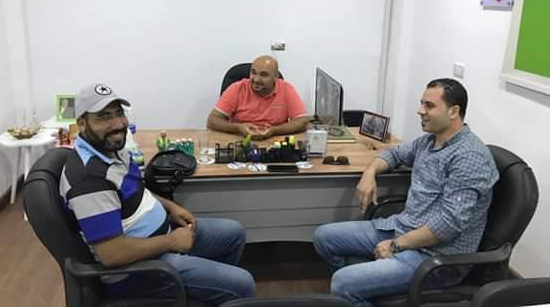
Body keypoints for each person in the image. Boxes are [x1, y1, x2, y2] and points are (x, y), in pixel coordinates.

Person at [60, 83, 254, 305]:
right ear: (82, 123)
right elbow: (112, 254)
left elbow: (138, 191)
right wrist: (171, 242)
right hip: (138, 271)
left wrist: (170, 207)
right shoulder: (89, 180)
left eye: (119, 113)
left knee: (233, 233)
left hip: (161, 241)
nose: (118, 124)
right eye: (104, 117)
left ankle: (210, 294)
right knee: (243, 283)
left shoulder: (112, 150)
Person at [313, 78, 499, 307]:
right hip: (402, 229)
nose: (420, 111)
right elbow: (393, 154)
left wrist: (396, 245)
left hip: (435, 257)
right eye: (421, 103)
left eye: (429, 106)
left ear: (453, 111)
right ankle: (366, 290)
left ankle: (356, 289)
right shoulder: (429, 141)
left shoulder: (469, 157)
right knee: (324, 237)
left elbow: (448, 225)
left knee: (342, 283)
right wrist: (369, 173)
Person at [207, 55, 309, 139]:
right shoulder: (237, 88)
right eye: (253, 72)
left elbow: (302, 121)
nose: (256, 79)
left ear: (276, 77)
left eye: (264, 75)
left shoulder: (286, 89)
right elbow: (212, 121)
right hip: (240, 141)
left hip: (274, 142)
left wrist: (274, 130)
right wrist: (238, 128)